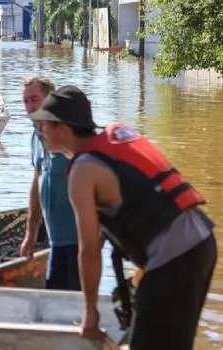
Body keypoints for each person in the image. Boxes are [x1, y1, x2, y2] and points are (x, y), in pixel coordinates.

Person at [30, 85, 216, 348]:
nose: (39, 132)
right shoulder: (113, 140)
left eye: (44, 125)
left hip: (175, 256)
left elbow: (90, 251)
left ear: (63, 128)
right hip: (202, 242)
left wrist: (90, 312)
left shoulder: (82, 172)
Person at [19, 77, 80, 291]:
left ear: (50, 100)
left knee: (73, 307)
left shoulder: (67, 134)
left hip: (78, 242)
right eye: (25, 101)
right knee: (56, 305)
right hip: (55, 243)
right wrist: (31, 232)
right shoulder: (36, 137)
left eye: (35, 99)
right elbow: (38, 182)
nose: (30, 106)